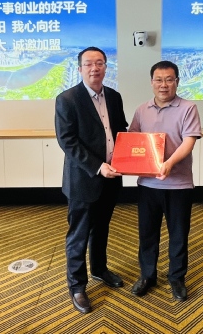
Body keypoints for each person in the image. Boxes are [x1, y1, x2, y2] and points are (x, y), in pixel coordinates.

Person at [54, 47, 129, 314]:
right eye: (88, 64)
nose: (94, 68)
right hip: (84, 179)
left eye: (99, 63)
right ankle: (76, 286)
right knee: (79, 234)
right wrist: (98, 167)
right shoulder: (67, 99)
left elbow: (120, 131)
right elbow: (67, 141)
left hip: (112, 177)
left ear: (106, 67)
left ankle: (99, 269)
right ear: (80, 69)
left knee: (102, 228)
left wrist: (131, 155)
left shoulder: (114, 97)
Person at [129, 60, 202, 302]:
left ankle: (177, 278)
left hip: (178, 184)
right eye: (159, 80)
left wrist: (169, 163)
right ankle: (147, 276)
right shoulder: (142, 110)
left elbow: (189, 141)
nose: (163, 85)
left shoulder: (188, 108)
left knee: (178, 234)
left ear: (177, 82)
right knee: (147, 234)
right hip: (148, 184)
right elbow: (133, 141)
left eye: (169, 80)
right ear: (152, 82)